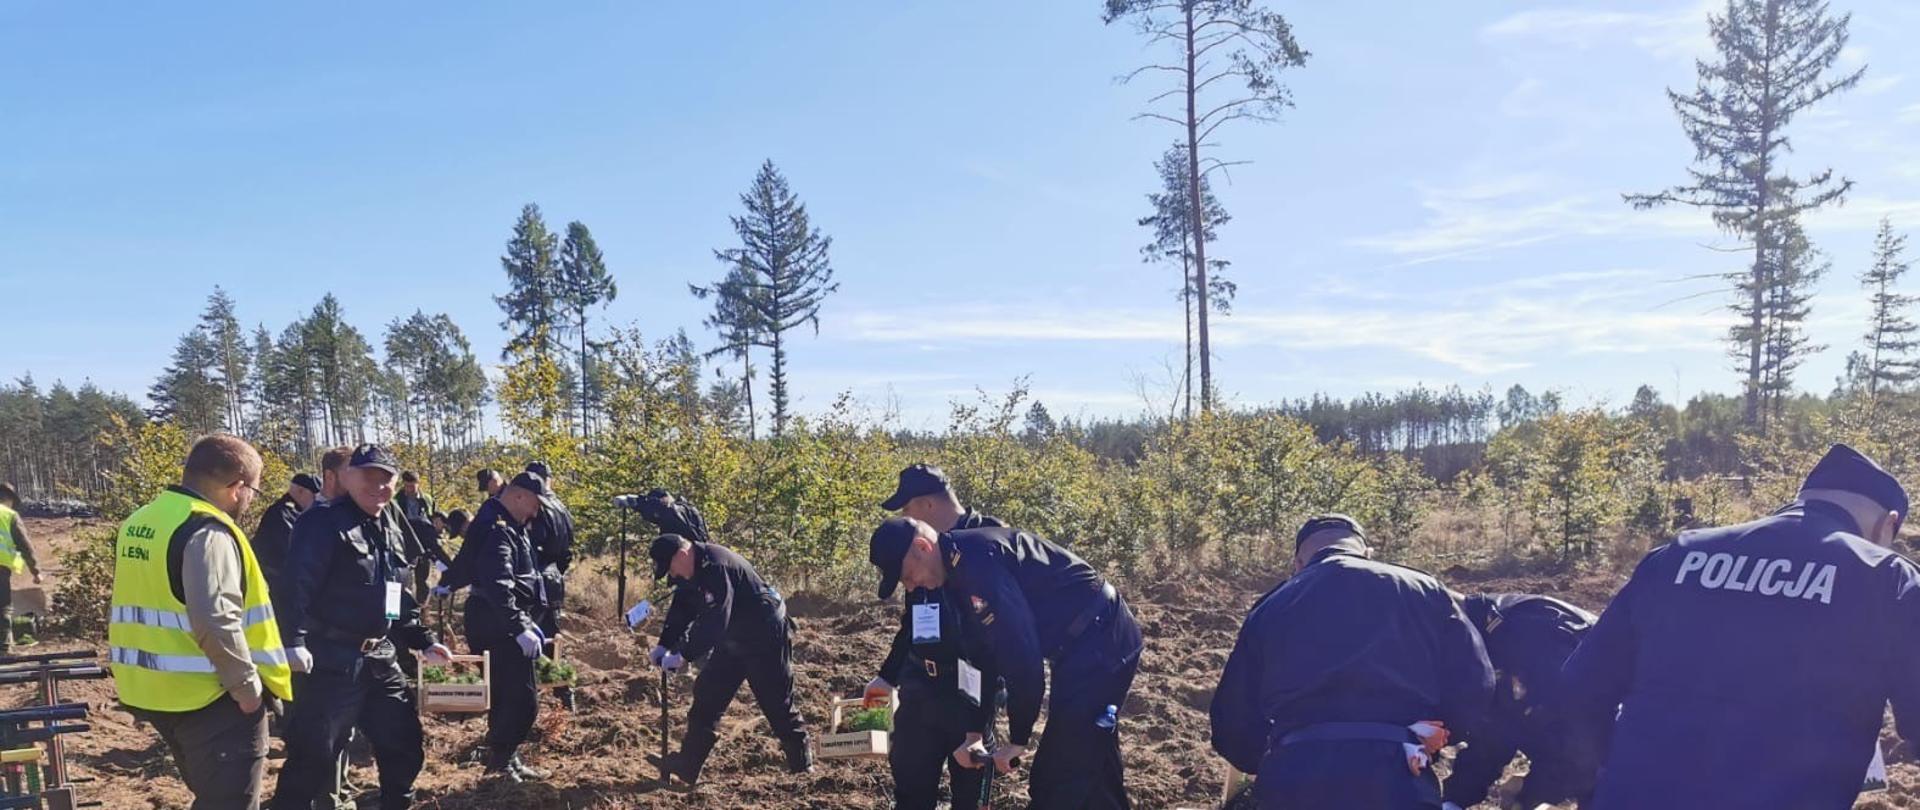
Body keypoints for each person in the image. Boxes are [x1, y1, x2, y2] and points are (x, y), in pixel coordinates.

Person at [1560, 444, 1920, 808]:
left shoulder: (1676, 556)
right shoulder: (1888, 580)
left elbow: (1579, 690)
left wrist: (1600, 787)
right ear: (1887, 524)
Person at [1209, 515, 1493, 810]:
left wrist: (1271, 761)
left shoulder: (1270, 606)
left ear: (1298, 564)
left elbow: (1233, 719)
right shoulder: (1426, 589)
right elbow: (1476, 683)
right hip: (1400, 779)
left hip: (1296, 782)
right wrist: (1433, 736)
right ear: (1367, 553)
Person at [869, 517, 1142, 809]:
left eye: (908, 576)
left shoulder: (979, 565)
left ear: (923, 547)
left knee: (1058, 772)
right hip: (1077, 647)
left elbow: (1021, 658)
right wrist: (973, 733)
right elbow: (980, 656)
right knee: (1090, 756)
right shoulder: (954, 575)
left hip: (1102, 640)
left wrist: (1018, 739)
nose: (911, 588)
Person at [107, 434, 293, 810]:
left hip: (155, 691)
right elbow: (215, 620)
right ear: (237, 487)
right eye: (253, 491)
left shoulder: (141, 520)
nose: (250, 500)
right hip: (211, 696)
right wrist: (247, 691)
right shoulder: (208, 531)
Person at [270, 445, 453, 810]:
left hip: (379, 657)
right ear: (349, 477)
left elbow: (396, 594)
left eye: (386, 480)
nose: (378, 487)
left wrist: (422, 639)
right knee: (313, 758)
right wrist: (293, 642)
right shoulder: (322, 522)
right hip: (329, 660)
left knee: (403, 743)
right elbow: (294, 587)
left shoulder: (389, 526)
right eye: (369, 477)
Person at [866, 464, 1005, 810]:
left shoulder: (987, 540)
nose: (905, 517)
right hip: (921, 686)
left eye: (907, 507)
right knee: (910, 785)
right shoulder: (915, 550)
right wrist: (887, 676)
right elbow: (912, 621)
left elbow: (1001, 637)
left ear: (928, 504)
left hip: (970, 691)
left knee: (970, 792)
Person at [644, 531, 811, 788]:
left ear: (682, 554)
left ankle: (803, 769)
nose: (673, 575)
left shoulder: (716, 566)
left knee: (775, 700)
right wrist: (664, 644)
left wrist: (684, 655)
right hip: (735, 635)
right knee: (708, 692)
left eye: (671, 567)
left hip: (765, 632)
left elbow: (716, 619)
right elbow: (682, 607)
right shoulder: (690, 570)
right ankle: (688, 766)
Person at [1443, 593, 1602, 810]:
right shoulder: (1494, 638)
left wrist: (1529, 796)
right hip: (1587, 753)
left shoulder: (1533, 635)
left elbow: (1578, 747)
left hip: (1622, 766)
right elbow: (1496, 730)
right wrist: (1454, 801)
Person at [464, 472, 550, 783]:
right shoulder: (497, 529)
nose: (536, 512)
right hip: (496, 623)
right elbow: (498, 583)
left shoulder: (511, 526)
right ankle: (500, 762)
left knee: (506, 696)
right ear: (518, 496)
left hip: (500, 619)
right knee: (523, 700)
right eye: (535, 504)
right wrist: (518, 627)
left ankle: (505, 759)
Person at [522, 462, 573, 656]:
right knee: (551, 635)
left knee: (531, 636)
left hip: (536, 577)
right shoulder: (562, 507)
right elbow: (568, 547)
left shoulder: (536, 507)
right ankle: (557, 673)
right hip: (555, 576)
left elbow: (531, 543)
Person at [250, 473, 320, 597]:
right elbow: (296, 551)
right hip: (276, 583)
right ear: (300, 491)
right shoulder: (282, 514)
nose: (316, 502)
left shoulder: (291, 512)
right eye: (314, 497)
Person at [0, 483, 44, 653]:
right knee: (3, 606)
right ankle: (4, 648)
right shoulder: (9, 515)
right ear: (9, 499)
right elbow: (25, 546)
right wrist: (36, 571)